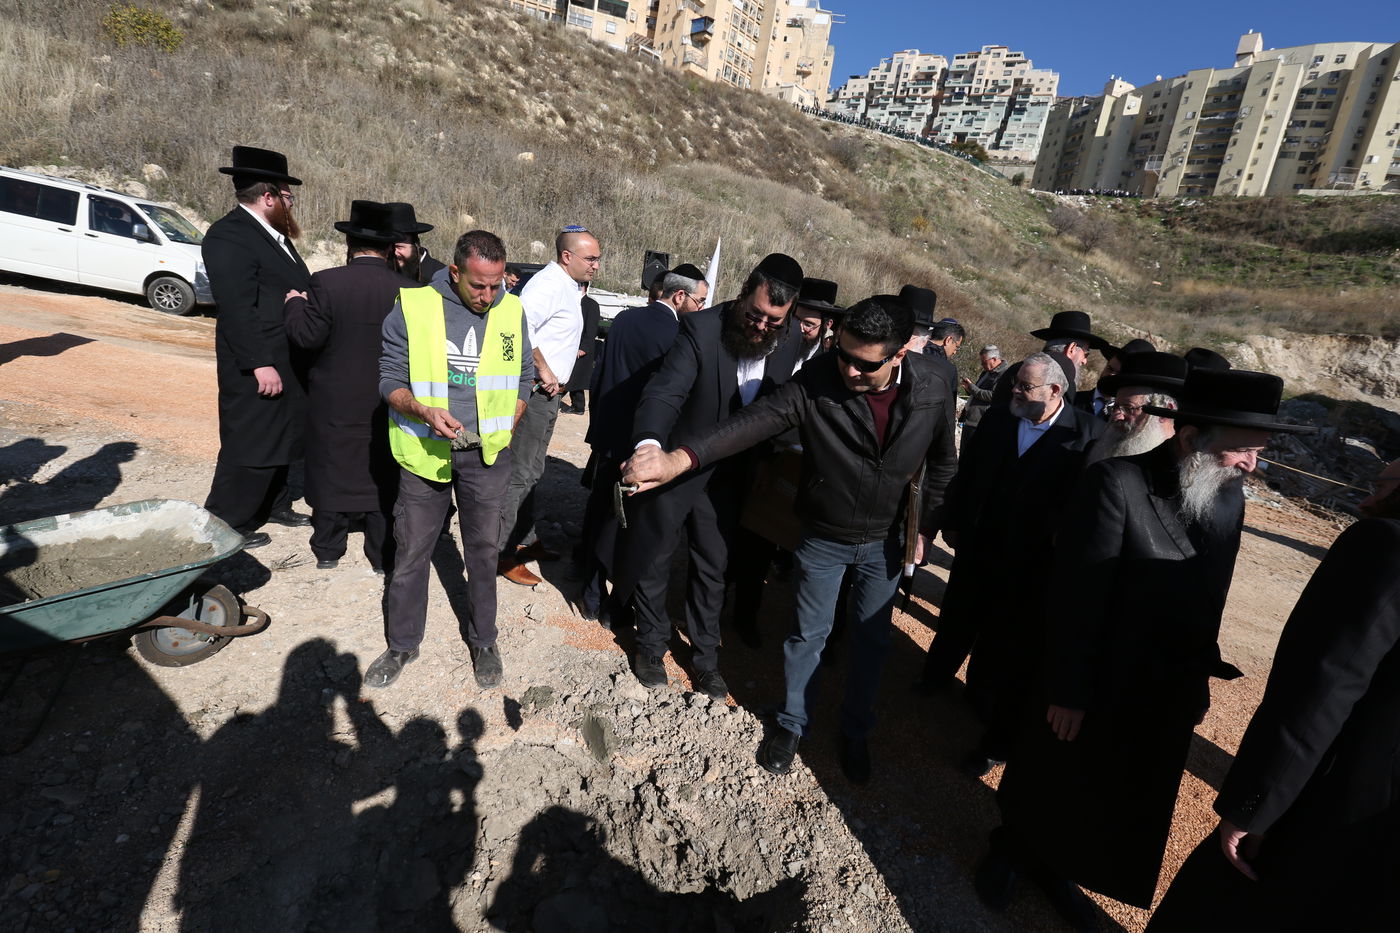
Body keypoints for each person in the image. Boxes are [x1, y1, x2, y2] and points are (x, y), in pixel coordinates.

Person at [982, 369, 1316, 927]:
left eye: (1259, 452)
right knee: (1051, 772)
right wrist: (1069, 689)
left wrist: (1199, 678)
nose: (1250, 465)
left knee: (1111, 791)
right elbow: (1077, 596)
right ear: (1190, 440)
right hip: (1096, 673)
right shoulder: (1116, 483)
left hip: (1163, 683)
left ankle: (1060, 866)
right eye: (1242, 451)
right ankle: (1009, 851)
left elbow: (1214, 596)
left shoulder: (1228, 498)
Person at [622, 295, 957, 783]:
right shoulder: (819, 378)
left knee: (870, 641)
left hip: (886, 541)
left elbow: (944, 463)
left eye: (865, 365)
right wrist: (678, 458)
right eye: (842, 354)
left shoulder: (935, 385)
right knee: (807, 635)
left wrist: (925, 527)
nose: (848, 371)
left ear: (900, 354)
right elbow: (750, 424)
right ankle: (791, 723)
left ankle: (856, 730)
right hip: (824, 534)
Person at [1147, 461, 1400, 932]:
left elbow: (1321, 691)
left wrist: (1254, 809)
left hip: (1330, 803)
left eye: (1381, 483)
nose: (1368, 495)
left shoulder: (1387, 545)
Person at [612, 254, 806, 698]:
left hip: (733, 476)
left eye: (773, 322)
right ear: (741, 296)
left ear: (789, 314)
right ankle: (650, 643)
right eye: (755, 315)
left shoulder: (790, 337)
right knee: (656, 553)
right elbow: (664, 393)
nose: (761, 328)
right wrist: (649, 448)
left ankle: (704, 657)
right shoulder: (701, 329)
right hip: (677, 464)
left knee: (713, 565)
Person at [365, 230, 535, 691]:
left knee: (482, 552)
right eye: (478, 285)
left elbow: (523, 377)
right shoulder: (416, 306)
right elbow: (388, 378)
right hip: (425, 452)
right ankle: (402, 644)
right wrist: (421, 410)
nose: (488, 295)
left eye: (496, 284)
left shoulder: (511, 310)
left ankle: (484, 640)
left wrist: (511, 421)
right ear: (455, 272)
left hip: (487, 456)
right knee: (413, 551)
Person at [932, 353, 1104, 775]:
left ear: (1054, 391)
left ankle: (983, 698)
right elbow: (968, 473)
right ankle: (933, 676)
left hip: (1031, 563)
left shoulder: (1088, 436)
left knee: (1004, 634)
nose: (1015, 391)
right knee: (959, 614)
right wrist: (951, 522)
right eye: (1016, 384)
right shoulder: (998, 419)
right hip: (979, 545)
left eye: (1024, 387)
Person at [576, 264, 708, 622]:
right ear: (679, 296)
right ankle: (613, 603)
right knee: (621, 524)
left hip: (608, 433)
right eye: (700, 301)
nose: (701, 310)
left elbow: (603, 376)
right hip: (639, 444)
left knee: (598, 510)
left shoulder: (623, 319)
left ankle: (588, 593)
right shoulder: (678, 337)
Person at [284, 200, 411, 572]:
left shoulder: (327, 282)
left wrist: (293, 305)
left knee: (331, 468)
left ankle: (328, 548)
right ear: (390, 248)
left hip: (333, 398)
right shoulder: (410, 289)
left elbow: (307, 337)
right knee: (382, 473)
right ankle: (380, 555)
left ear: (348, 245)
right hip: (388, 397)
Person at [201, 145, 312, 548]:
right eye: (287, 196)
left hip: (286, 356)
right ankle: (225, 522)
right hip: (256, 362)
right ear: (269, 197)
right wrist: (259, 362)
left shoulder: (274, 236)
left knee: (282, 435)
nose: (290, 202)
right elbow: (236, 306)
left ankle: (273, 504)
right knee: (250, 440)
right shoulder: (229, 236)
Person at [496, 225, 600, 587]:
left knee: (534, 469)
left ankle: (522, 540)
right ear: (566, 256)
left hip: (549, 393)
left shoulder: (567, 286)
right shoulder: (547, 284)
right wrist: (543, 368)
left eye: (597, 259)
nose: (596, 265)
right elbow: (518, 326)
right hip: (538, 391)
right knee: (522, 472)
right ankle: (502, 552)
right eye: (590, 258)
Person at [990, 310, 1110, 409]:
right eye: (1085, 354)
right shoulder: (1061, 378)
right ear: (1071, 349)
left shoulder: (1018, 367)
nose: (1084, 361)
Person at [1084, 350, 1186, 464]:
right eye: (1115, 407)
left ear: (1165, 411)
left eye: (1128, 408)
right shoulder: (1093, 450)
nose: (1117, 416)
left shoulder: (1181, 465)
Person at [1077, 337, 1154, 420]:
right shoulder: (1072, 400)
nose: (1111, 375)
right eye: (1110, 368)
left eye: (1119, 374)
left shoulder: (1129, 420)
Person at [790, 278, 843, 373]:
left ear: (827, 325)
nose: (799, 329)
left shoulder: (827, 366)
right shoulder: (775, 347)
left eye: (808, 324)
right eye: (796, 320)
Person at [958, 345, 1007, 446]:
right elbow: (977, 393)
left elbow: (993, 396)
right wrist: (968, 388)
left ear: (994, 359)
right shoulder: (986, 372)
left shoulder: (1004, 374)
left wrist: (972, 388)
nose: (982, 365)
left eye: (984, 362)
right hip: (970, 420)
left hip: (980, 423)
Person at [387, 202, 446, 284]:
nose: (394, 252)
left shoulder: (441, 275)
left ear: (416, 245)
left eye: (399, 247)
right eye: (388, 247)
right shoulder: (383, 273)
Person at [563, 288, 600, 414]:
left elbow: (591, 329)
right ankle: (577, 406)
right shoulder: (571, 301)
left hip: (580, 348)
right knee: (572, 378)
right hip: (569, 346)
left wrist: (584, 347)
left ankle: (578, 407)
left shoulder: (591, 304)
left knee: (575, 379)